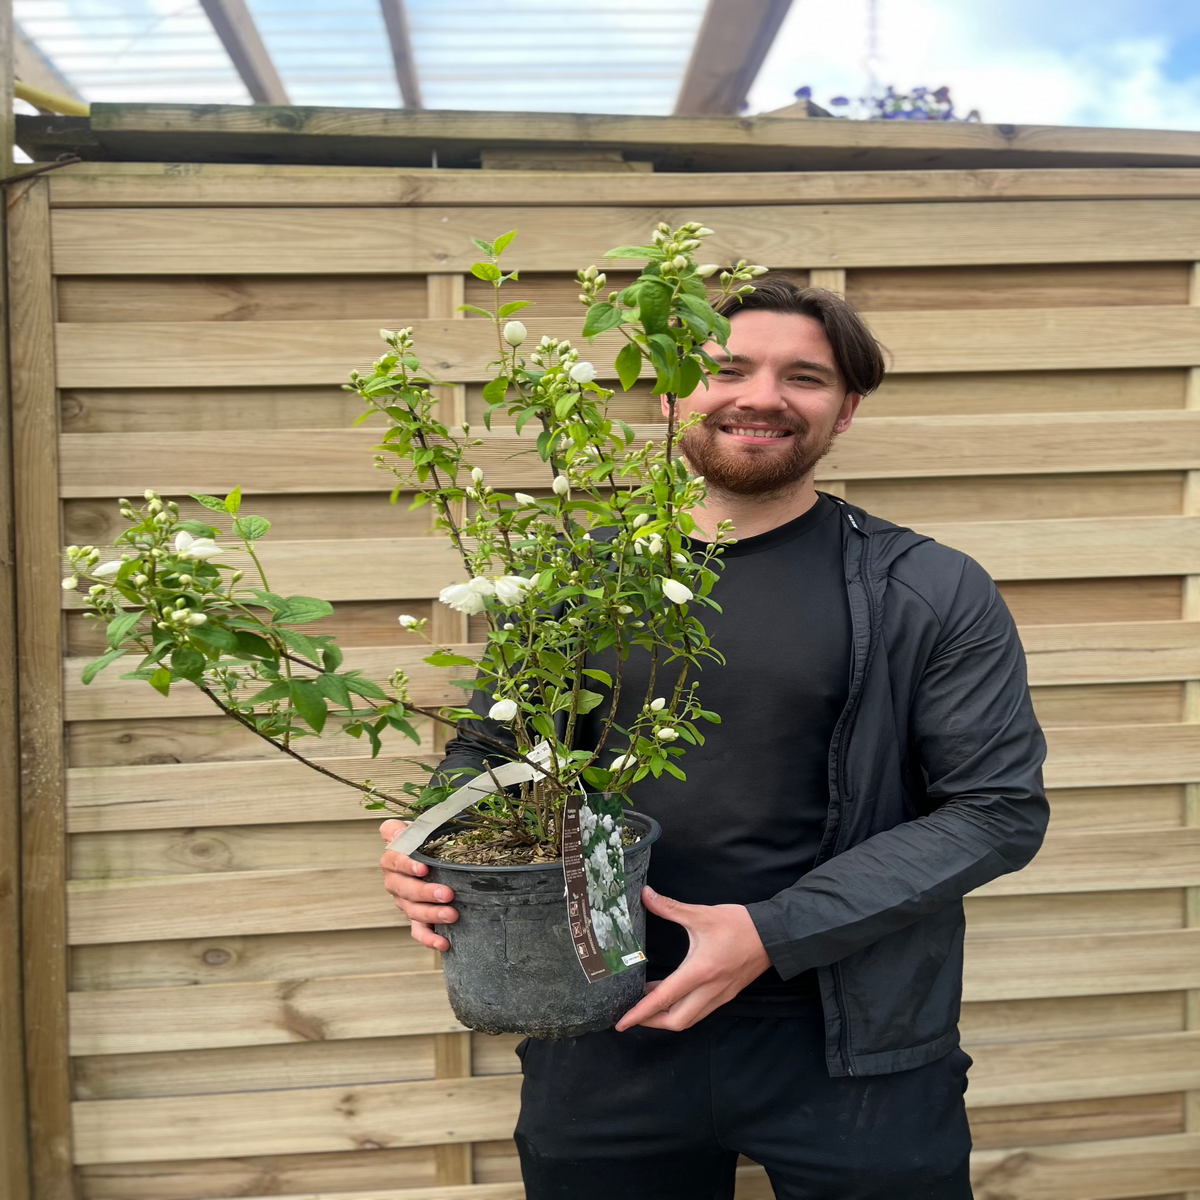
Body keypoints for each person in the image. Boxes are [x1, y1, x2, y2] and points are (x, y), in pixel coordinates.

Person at [379, 277, 1048, 1199]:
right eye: (727, 368)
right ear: (670, 394)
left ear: (845, 410)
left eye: (804, 377)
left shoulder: (928, 588)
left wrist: (770, 934)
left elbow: (996, 811)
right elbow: (495, 757)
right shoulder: (579, 584)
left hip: (857, 1051)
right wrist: (432, 845)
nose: (762, 396)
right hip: (606, 1028)